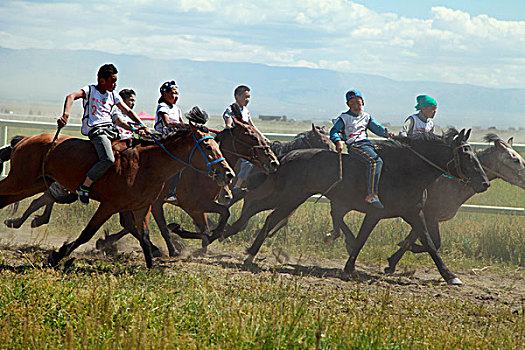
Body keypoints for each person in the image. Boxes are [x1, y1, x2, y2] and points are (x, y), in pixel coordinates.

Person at [57, 63, 148, 205]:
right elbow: (71, 96)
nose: (115, 84)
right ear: (102, 80)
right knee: (108, 159)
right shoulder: (90, 90)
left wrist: (142, 126)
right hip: (97, 130)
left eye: (116, 80)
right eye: (113, 81)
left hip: (111, 130)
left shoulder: (113, 95)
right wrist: (66, 115)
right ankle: (84, 187)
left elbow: (128, 112)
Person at [330, 89, 395, 209]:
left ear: (363, 102)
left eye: (358, 103)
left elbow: (377, 129)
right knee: (375, 161)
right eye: (352, 103)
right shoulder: (344, 118)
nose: (356, 106)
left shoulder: (366, 117)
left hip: (367, 144)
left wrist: (388, 134)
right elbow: (334, 131)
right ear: (348, 105)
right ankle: (371, 195)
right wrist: (338, 141)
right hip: (355, 145)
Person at [223, 85, 262, 197]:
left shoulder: (246, 111)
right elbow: (228, 121)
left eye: (249, 97)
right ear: (237, 97)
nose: (248, 100)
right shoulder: (231, 109)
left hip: (245, 142)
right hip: (235, 143)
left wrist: (261, 137)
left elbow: (251, 126)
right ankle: (237, 186)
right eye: (245, 97)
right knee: (248, 161)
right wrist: (229, 125)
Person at [154, 80, 187, 203]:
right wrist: (185, 127)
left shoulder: (177, 109)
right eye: (173, 93)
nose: (175, 96)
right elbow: (168, 123)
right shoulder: (163, 107)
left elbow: (181, 122)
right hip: (164, 140)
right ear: (164, 94)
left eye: (177, 93)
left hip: (175, 140)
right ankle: (170, 193)